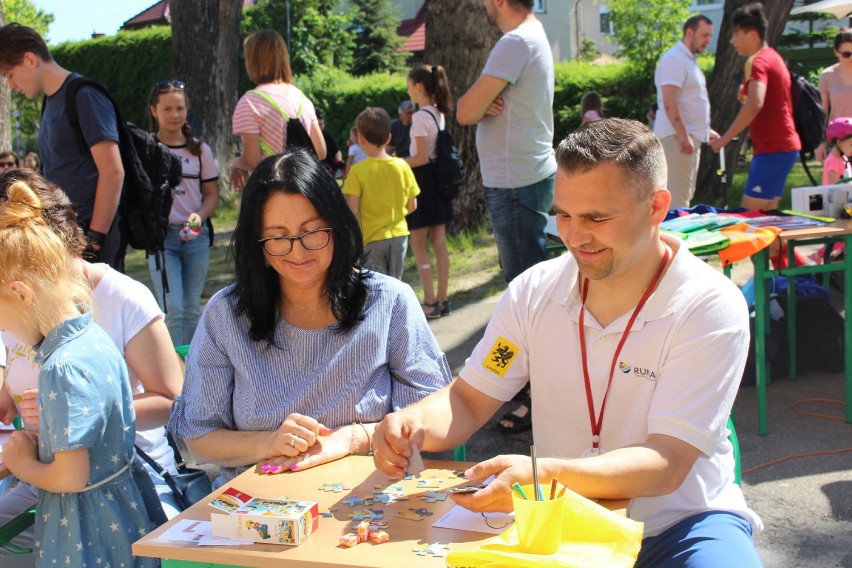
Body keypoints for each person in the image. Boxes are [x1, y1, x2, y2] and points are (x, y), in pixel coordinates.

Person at [373, 118, 763, 568]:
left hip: (682, 525)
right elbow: (469, 399)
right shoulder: (532, 293)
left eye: (596, 217)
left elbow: (667, 461)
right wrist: (411, 422)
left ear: (656, 207)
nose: (574, 238)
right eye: (563, 215)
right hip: (559, 522)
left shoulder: (708, 305)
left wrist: (542, 477)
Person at [168, 149, 452, 485]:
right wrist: (269, 443)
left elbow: (436, 420)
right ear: (257, 243)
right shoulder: (226, 314)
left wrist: (352, 438)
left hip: (369, 505)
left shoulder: (389, 302)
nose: (298, 252)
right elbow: (199, 438)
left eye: (312, 231)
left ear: (336, 225)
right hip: (257, 512)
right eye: (278, 237)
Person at [0, 169, 184, 565]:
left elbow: (71, 476)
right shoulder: (84, 332)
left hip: (85, 507)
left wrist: (29, 453)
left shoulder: (64, 358)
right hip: (108, 496)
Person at [0, 24, 126, 271]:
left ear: (29, 59)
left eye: (9, 75)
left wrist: (96, 237)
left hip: (91, 240)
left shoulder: (84, 96)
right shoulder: (50, 102)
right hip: (66, 236)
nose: (11, 86)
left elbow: (113, 171)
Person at [457, 0, 557, 284]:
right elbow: (472, 108)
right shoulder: (531, 34)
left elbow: (464, 112)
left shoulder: (515, 42)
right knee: (529, 283)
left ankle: (534, 331)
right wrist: (482, 102)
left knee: (524, 287)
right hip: (522, 176)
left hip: (515, 182)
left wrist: (480, 103)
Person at [147, 80, 220, 346]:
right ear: (154, 111)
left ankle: (193, 370)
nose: (175, 115)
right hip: (162, 240)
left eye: (179, 108)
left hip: (196, 238)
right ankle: (175, 373)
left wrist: (200, 215)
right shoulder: (147, 149)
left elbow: (212, 194)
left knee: (191, 309)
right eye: (167, 109)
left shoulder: (200, 150)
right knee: (173, 309)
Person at [710, 3, 800, 211]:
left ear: (752, 35)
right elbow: (766, 100)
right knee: (769, 219)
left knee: (749, 220)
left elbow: (755, 103)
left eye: (736, 35)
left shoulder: (756, 61)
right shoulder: (774, 58)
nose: (732, 41)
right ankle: (781, 246)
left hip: (773, 148)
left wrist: (724, 140)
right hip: (783, 147)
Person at [229, 29, 326, 192]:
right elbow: (321, 152)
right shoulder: (301, 98)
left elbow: (251, 160)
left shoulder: (250, 102)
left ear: (253, 61)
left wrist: (235, 163)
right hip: (305, 189)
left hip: (272, 189)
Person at [343, 107, 419, 279]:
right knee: (396, 285)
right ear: (389, 138)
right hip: (399, 236)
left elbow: (352, 210)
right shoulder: (402, 166)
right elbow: (412, 205)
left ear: (360, 139)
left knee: (378, 291)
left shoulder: (357, 171)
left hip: (372, 239)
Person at [404, 65, 455, 319]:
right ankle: (443, 300)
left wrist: (398, 162)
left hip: (424, 182)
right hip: (439, 183)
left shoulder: (420, 117)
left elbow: (421, 157)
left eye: (408, 84)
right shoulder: (438, 113)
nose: (407, 89)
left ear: (418, 87)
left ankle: (430, 300)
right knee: (439, 241)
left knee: (417, 241)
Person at [654, 15, 718, 209]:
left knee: (683, 197)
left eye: (710, 35)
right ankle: (672, 240)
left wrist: (706, 130)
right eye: (704, 35)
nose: (708, 40)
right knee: (677, 202)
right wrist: (683, 135)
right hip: (676, 139)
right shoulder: (675, 58)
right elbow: (669, 101)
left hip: (684, 138)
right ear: (690, 32)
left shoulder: (686, 59)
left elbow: (689, 101)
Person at [817, 28, 852, 162]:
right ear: (836, 52)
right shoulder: (828, 75)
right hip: (839, 140)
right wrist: (820, 143)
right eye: (846, 54)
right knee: (838, 180)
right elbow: (822, 112)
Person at [822, 117, 852, 184]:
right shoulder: (833, 162)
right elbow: (833, 188)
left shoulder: (843, 158)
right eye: (851, 145)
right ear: (838, 142)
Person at [317, 110, 343, 176]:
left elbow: (337, 151)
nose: (321, 127)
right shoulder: (307, 135)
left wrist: (339, 162)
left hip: (328, 168)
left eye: (322, 124)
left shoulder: (327, 135)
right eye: (319, 125)